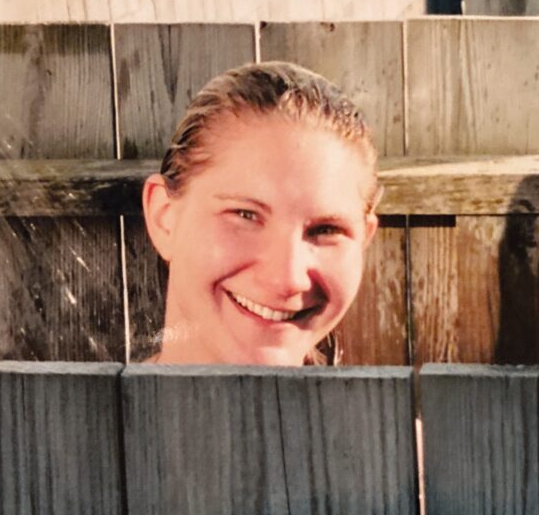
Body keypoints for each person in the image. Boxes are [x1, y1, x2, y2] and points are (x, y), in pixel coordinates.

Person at [141, 61, 380, 365]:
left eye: (326, 230)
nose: (288, 279)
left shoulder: (395, 414)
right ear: (164, 218)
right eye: (245, 215)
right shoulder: (74, 413)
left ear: (364, 240)